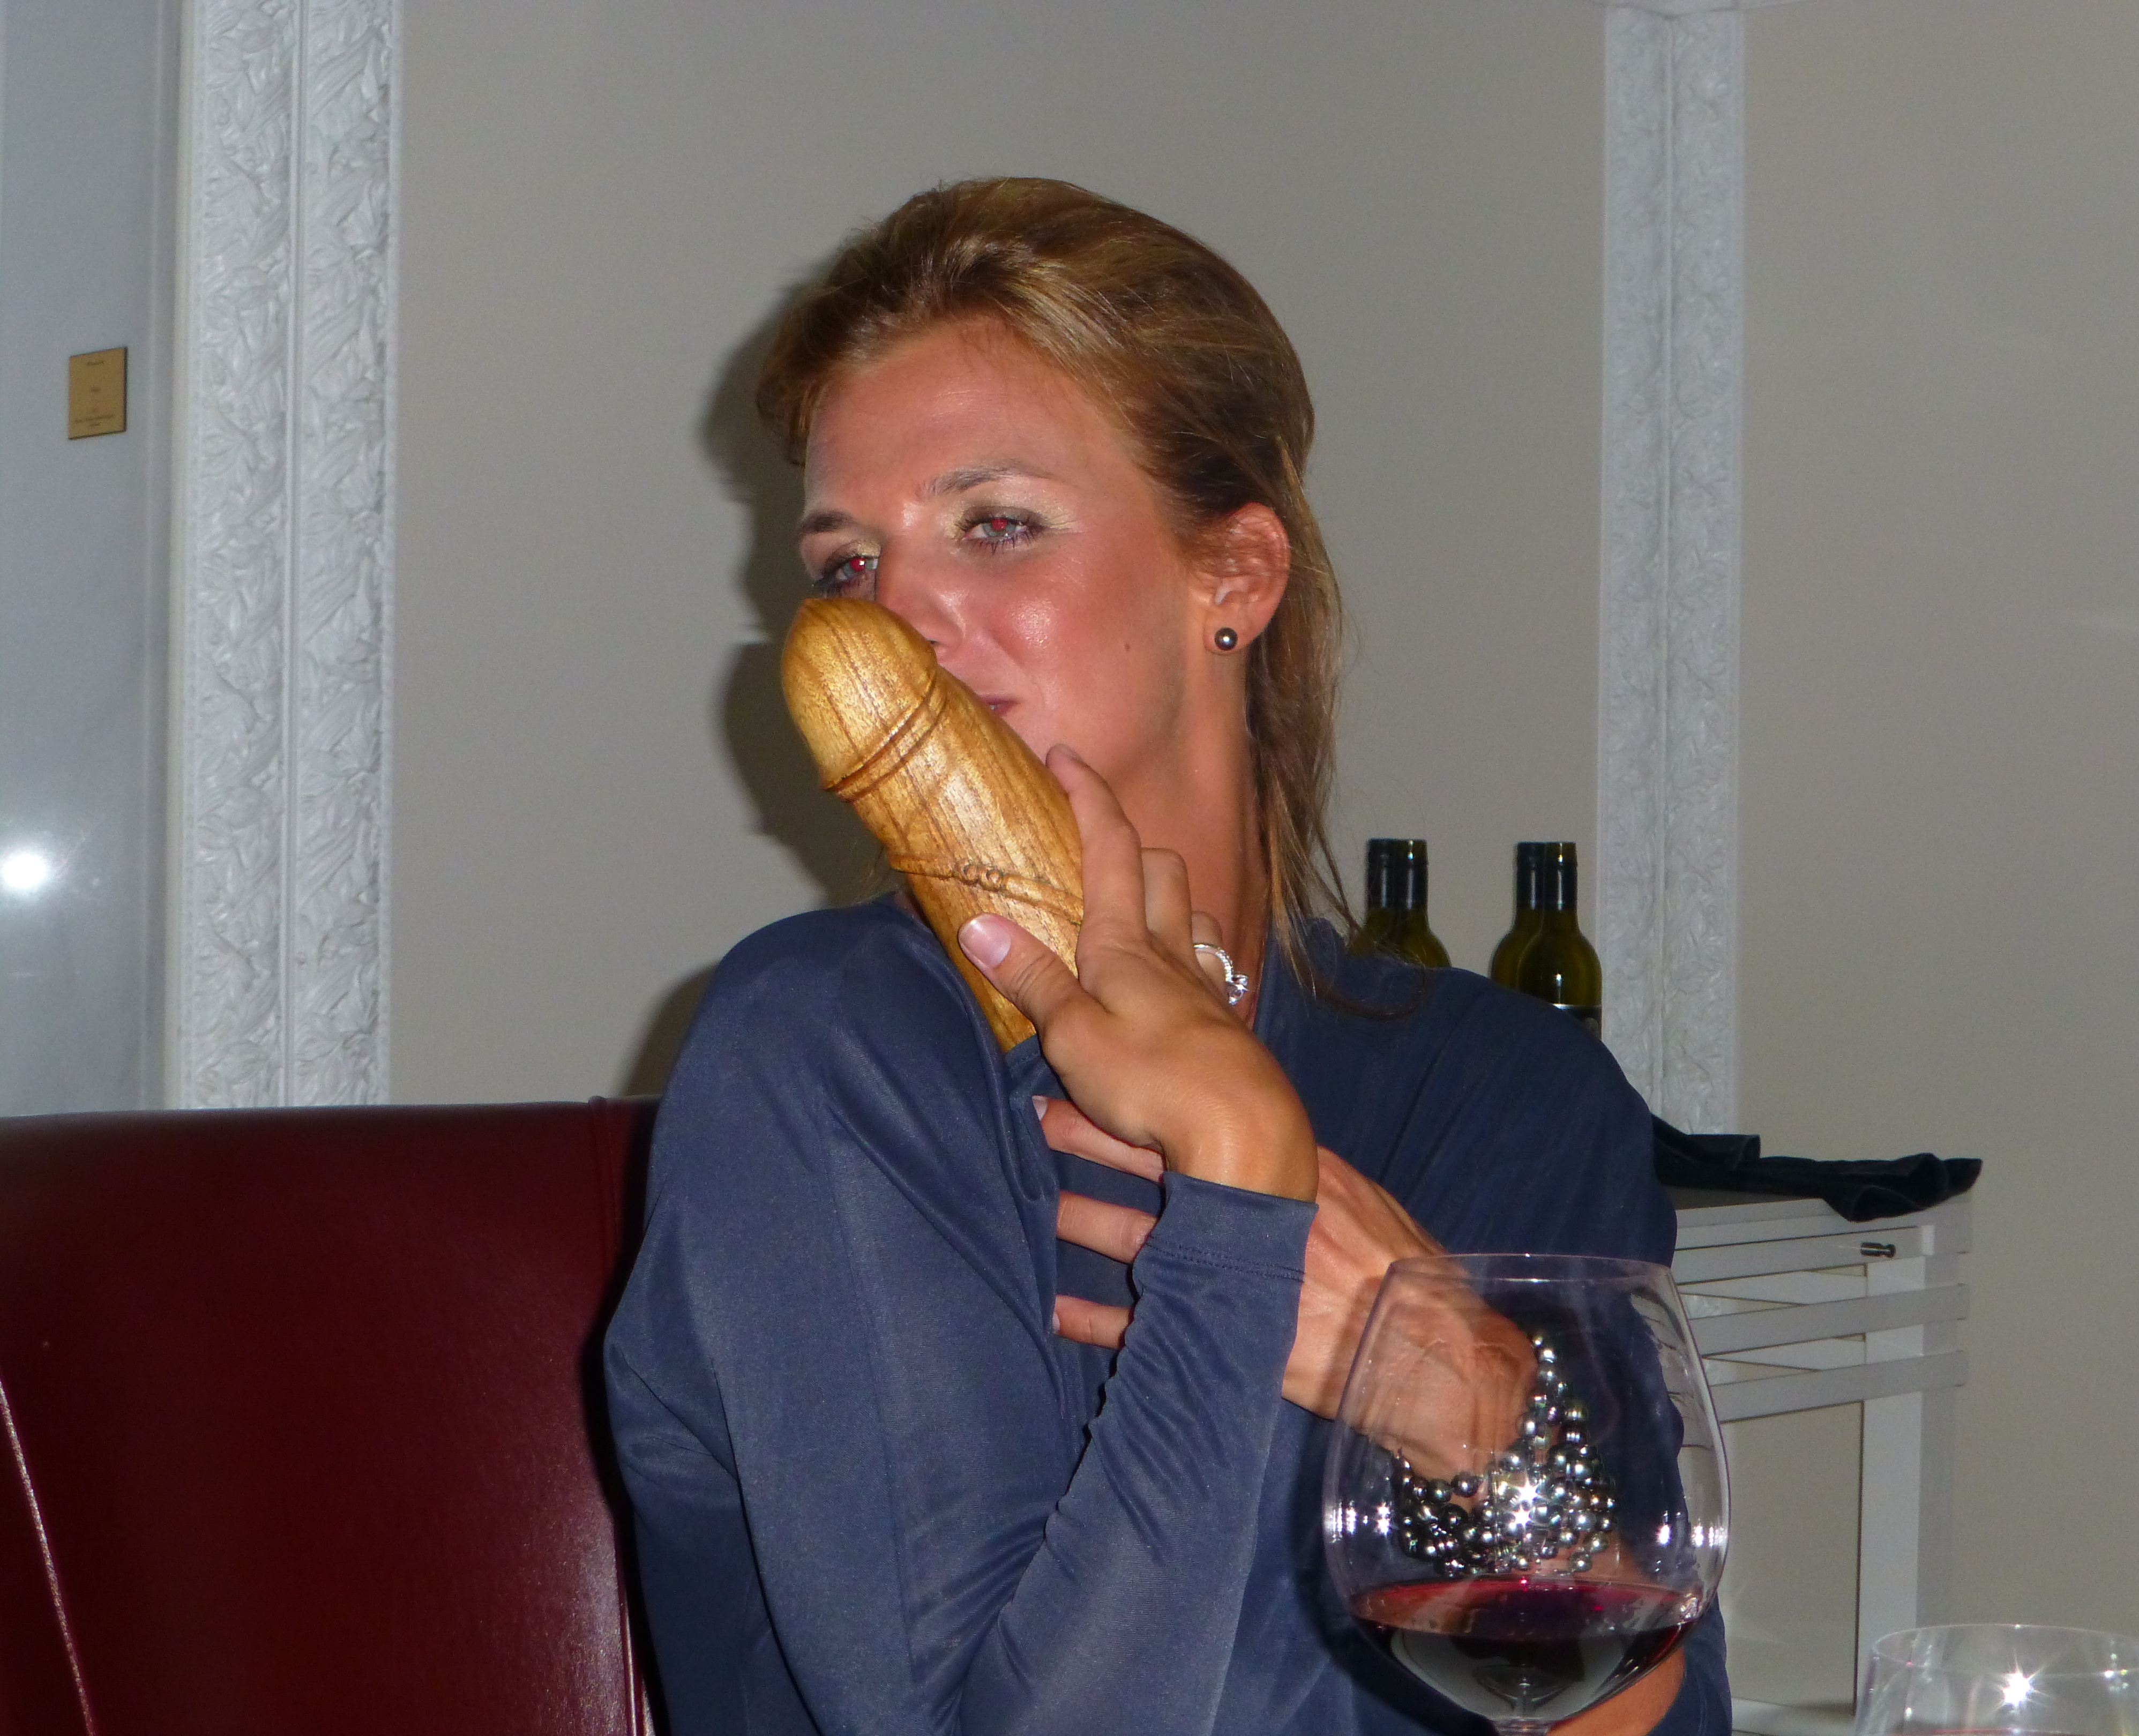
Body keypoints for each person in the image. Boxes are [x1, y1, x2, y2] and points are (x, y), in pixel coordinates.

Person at [605, 177, 1731, 1736]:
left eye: (996, 527)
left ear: (1236, 577)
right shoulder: (827, 1054)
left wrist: (1468, 1404)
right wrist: (1243, 1180)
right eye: (848, 565)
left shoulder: (1512, 1089)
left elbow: (1652, 1710)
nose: (892, 620)